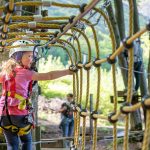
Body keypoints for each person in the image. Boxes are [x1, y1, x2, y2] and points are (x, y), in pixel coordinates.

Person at [0, 40, 73, 150]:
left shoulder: (5, 73)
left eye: (32, 56)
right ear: (18, 57)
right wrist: (67, 71)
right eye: (29, 56)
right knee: (27, 140)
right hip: (19, 114)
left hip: (3, 115)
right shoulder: (27, 73)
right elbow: (49, 75)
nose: (32, 59)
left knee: (12, 144)